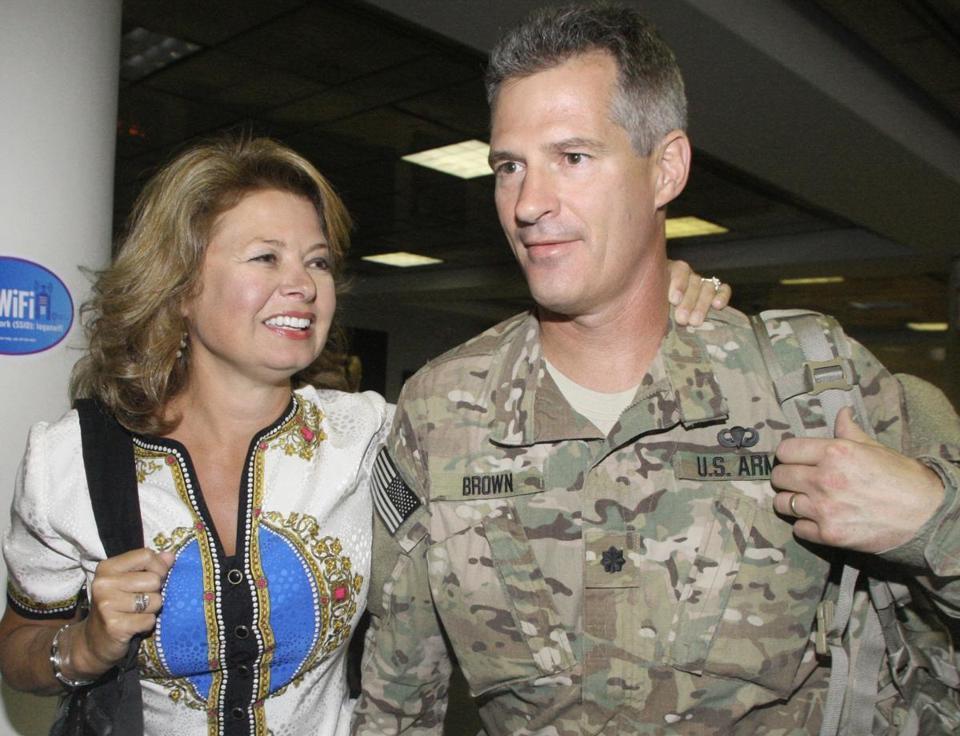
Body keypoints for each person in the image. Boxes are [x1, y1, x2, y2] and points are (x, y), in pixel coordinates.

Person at [352, 4, 960, 735]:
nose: (528, 203)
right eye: (509, 166)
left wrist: (932, 520)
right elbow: (399, 695)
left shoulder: (809, 387)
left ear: (665, 168)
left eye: (571, 158)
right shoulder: (442, 408)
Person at [0, 132, 726, 735]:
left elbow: (528, 395)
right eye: (265, 258)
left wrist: (634, 297)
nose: (304, 283)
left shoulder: (370, 435)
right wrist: (85, 646)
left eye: (317, 261)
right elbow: (17, 651)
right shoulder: (74, 461)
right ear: (181, 284)